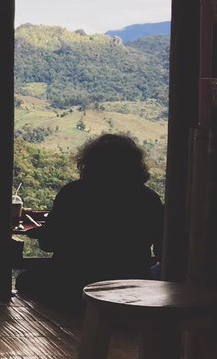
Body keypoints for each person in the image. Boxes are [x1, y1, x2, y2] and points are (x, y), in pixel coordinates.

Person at [17, 134, 163, 312]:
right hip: (132, 287)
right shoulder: (149, 199)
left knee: (25, 280)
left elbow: (49, 243)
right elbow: (162, 248)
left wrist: (42, 233)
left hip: (73, 285)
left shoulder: (73, 193)